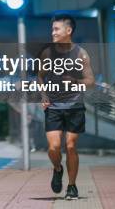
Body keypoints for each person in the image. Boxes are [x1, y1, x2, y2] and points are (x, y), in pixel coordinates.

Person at [38, 14, 95, 200]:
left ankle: (72, 186)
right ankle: (57, 168)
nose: (52, 32)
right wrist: (44, 95)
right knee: (54, 148)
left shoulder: (81, 54)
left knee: (71, 146)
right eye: (52, 29)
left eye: (56, 29)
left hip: (74, 106)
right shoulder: (47, 53)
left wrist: (75, 81)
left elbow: (90, 81)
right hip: (53, 107)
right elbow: (39, 77)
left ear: (68, 31)